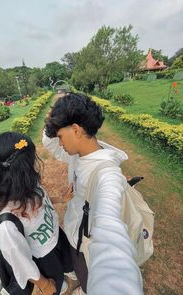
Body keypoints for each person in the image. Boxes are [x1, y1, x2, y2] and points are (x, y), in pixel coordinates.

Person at [43, 93, 143, 295]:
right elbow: (50, 143)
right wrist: (53, 120)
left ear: (76, 130)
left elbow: (110, 223)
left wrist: (115, 274)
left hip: (88, 244)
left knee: (89, 279)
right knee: (82, 273)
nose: (59, 143)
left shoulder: (106, 173)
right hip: (75, 233)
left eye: (60, 136)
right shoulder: (80, 153)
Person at [0, 131, 73, 295]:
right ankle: (56, 285)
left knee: (65, 264)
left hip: (54, 236)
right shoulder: (7, 223)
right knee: (55, 282)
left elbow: (40, 198)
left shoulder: (27, 185)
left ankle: (61, 278)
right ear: (21, 170)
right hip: (43, 255)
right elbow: (21, 262)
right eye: (31, 161)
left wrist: (60, 199)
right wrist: (44, 285)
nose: (34, 164)